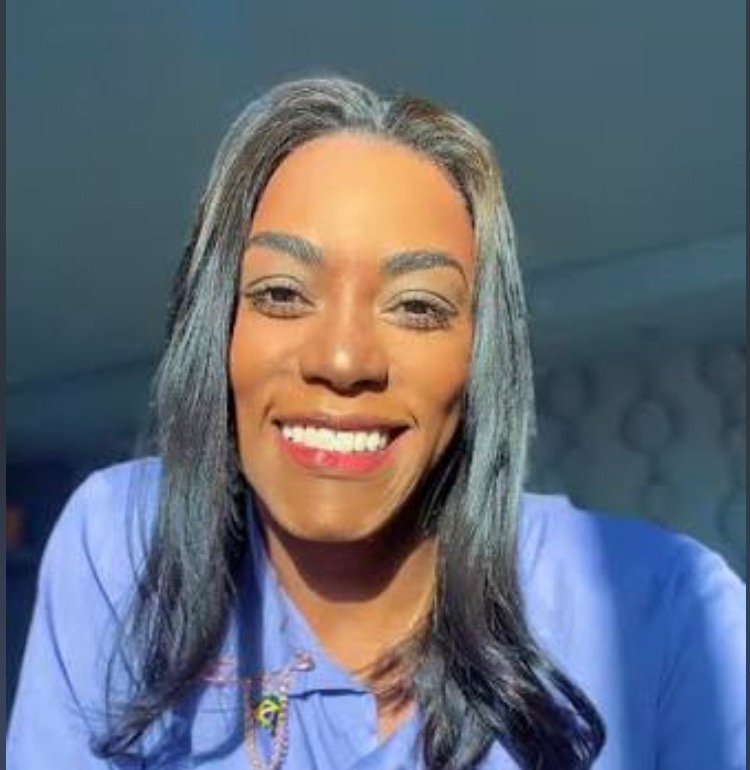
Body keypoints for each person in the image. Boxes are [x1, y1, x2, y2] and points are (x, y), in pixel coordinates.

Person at [7, 76, 745, 770]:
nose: (343, 359)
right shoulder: (123, 542)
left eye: (417, 306)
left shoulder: (668, 612)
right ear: (218, 329)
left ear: (481, 356)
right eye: (282, 293)